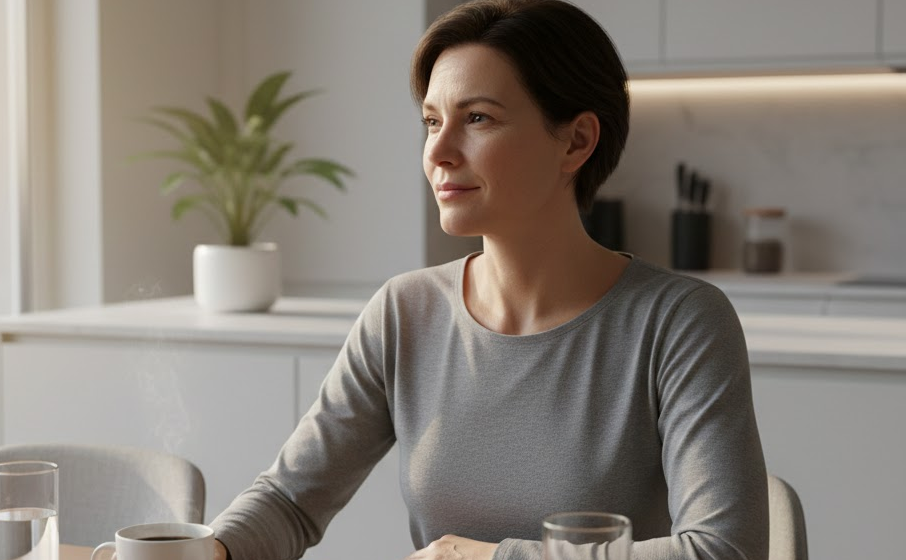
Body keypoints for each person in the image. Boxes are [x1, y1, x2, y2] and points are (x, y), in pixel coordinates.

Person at [210, 1, 768, 558]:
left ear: (575, 142)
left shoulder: (678, 322)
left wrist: (490, 558)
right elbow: (289, 501)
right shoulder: (405, 312)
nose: (438, 151)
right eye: (432, 121)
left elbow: (725, 550)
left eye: (477, 118)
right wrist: (205, 552)